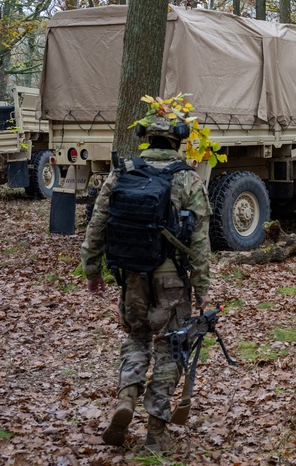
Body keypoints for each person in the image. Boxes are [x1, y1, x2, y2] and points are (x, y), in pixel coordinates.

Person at [81, 113, 211, 453]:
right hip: (171, 281)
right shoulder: (188, 180)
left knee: (137, 337)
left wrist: (92, 271)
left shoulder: (122, 174)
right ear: (177, 140)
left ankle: (126, 398)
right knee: (170, 347)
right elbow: (199, 241)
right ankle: (155, 432)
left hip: (132, 277)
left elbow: (97, 225)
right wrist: (202, 289)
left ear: (146, 139)